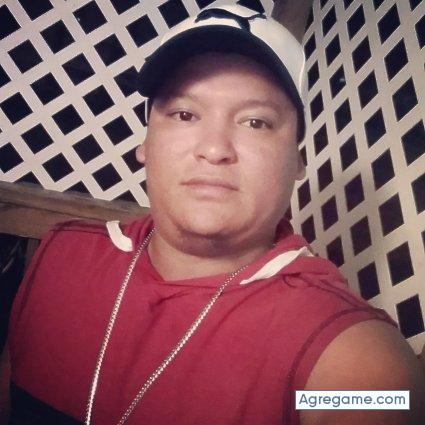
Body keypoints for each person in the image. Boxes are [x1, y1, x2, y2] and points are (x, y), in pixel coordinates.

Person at [2, 4, 424, 425]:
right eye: (184, 114)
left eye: (256, 122)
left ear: (297, 162)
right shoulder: (62, 255)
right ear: (145, 145)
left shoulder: (358, 367)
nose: (215, 148)